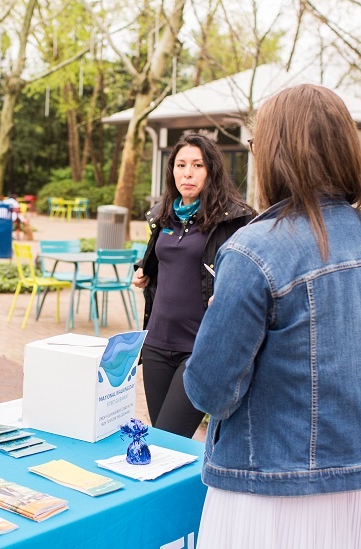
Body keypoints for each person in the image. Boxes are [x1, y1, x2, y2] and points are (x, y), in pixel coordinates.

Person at [182, 84, 361, 548]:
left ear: (275, 153)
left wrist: (218, 324)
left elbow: (209, 390)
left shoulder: (254, 250)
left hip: (269, 483)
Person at [132, 132, 253, 438]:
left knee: (172, 437)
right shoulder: (164, 215)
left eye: (197, 165)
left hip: (199, 348)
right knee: (161, 441)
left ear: (211, 170)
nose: (188, 173)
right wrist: (143, 270)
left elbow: (246, 272)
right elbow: (164, 260)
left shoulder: (232, 219)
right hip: (157, 343)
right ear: (171, 170)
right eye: (181, 165)